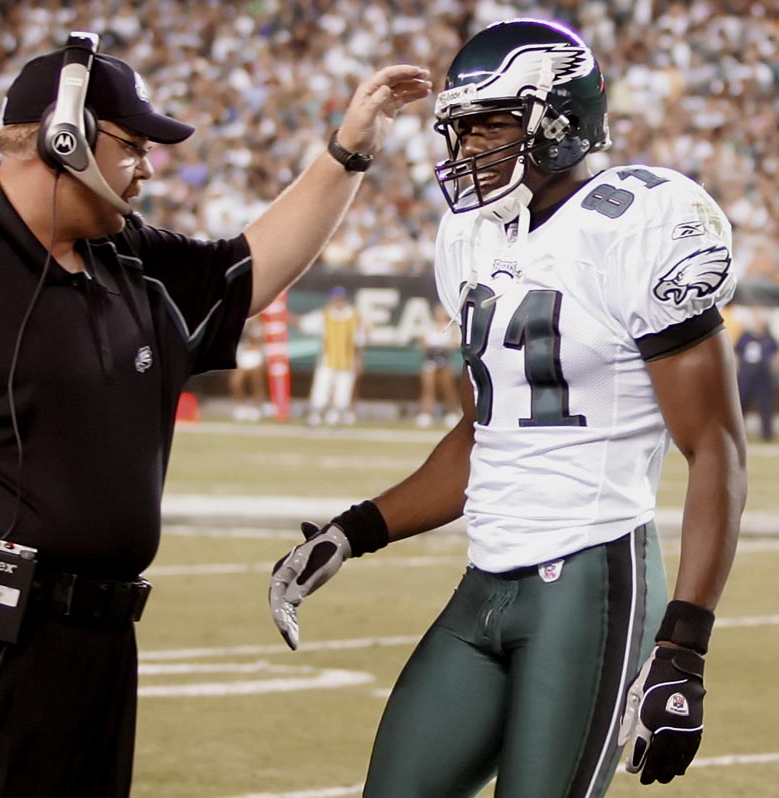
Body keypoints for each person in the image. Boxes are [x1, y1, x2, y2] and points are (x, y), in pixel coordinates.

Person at [0, 37, 431, 798]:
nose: (148, 166)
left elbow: (251, 268)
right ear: (67, 137)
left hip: (96, 648)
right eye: (133, 145)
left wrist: (347, 153)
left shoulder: (133, 262)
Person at [270, 18, 745, 798]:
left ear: (559, 119)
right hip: (486, 582)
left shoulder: (642, 222)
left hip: (592, 580)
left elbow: (716, 448)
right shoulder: (469, 237)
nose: (467, 153)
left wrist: (684, 646)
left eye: (492, 125)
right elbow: (479, 435)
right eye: (460, 132)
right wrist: (353, 531)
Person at [306, 286, 362, 426]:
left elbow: (359, 341)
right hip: (327, 359)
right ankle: (316, 415)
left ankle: (335, 415)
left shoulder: (353, 316)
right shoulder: (324, 315)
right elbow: (305, 324)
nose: (338, 302)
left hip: (346, 360)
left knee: (342, 392)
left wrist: (358, 360)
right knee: (321, 390)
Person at [734, 306, 777, 441]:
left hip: (762, 372)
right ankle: (737, 432)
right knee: (741, 402)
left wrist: (774, 365)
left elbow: (776, 353)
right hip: (747, 371)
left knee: (765, 403)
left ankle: (767, 434)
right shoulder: (746, 335)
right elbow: (737, 352)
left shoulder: (768, 337)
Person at [415, 302, 460, 427]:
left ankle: (452, 413)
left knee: (448, 387)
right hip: (430, 361)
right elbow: (422, 344)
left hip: (445, 361)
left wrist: (442, 347)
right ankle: (425, 413)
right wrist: (431, 347)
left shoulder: (452, 328)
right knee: (428, 387)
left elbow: (455, 344)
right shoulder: (429, 327)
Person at [229, 314, 271, 421]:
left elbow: (258, 339)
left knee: (257, 382)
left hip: (256, 353)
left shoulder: (258, 322)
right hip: (243, 353)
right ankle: (242, 406)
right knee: (236, 381)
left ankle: (257, 408)